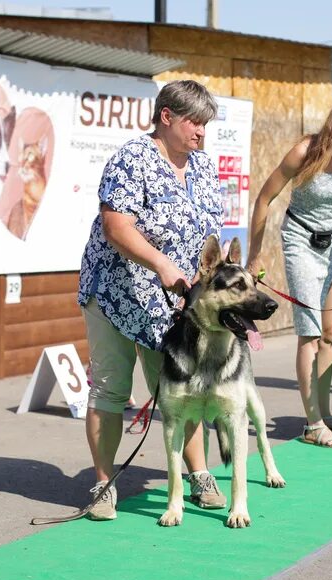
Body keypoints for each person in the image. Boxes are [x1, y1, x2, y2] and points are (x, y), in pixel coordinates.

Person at [77, 80, 226, 520]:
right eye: (194, 122)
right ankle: (103, 485)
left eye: (206, 124)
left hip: (175, 300)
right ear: (167, 117)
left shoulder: (205, 168)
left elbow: (209, 236)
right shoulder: (131, 159)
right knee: (111, 389)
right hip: (115, 292)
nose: (202, 133)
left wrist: (214, 282)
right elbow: (115, 226)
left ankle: (199, 475)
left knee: (183, 388)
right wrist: (161, 263)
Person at [246, 95, 332, 449]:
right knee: (308, 333)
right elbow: (264, 199)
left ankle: (324, 416)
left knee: (329, 331)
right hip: (299, 241)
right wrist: (255, 254)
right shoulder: (305, 151)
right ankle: (312, 424)